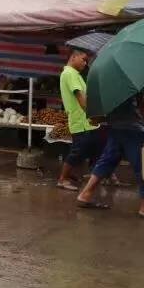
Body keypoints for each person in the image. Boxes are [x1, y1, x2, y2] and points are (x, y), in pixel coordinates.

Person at [76, 88, 144, 222]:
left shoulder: (105, 83)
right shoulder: (132, 81)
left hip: (116, 127)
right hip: (135, 129)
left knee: (107, 160)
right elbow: (143, 105)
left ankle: (85, 194)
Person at [56, 47, 103, 191]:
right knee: (77, 151)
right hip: (81, 120)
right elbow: (80, 97)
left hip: (84, 121)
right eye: (83, 59)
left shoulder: (74, 74)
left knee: (90, 149)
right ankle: (62, 179)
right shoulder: (70, 74)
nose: (85, 63)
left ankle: (76, 174)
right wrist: (92, 115)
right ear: (73, 58)